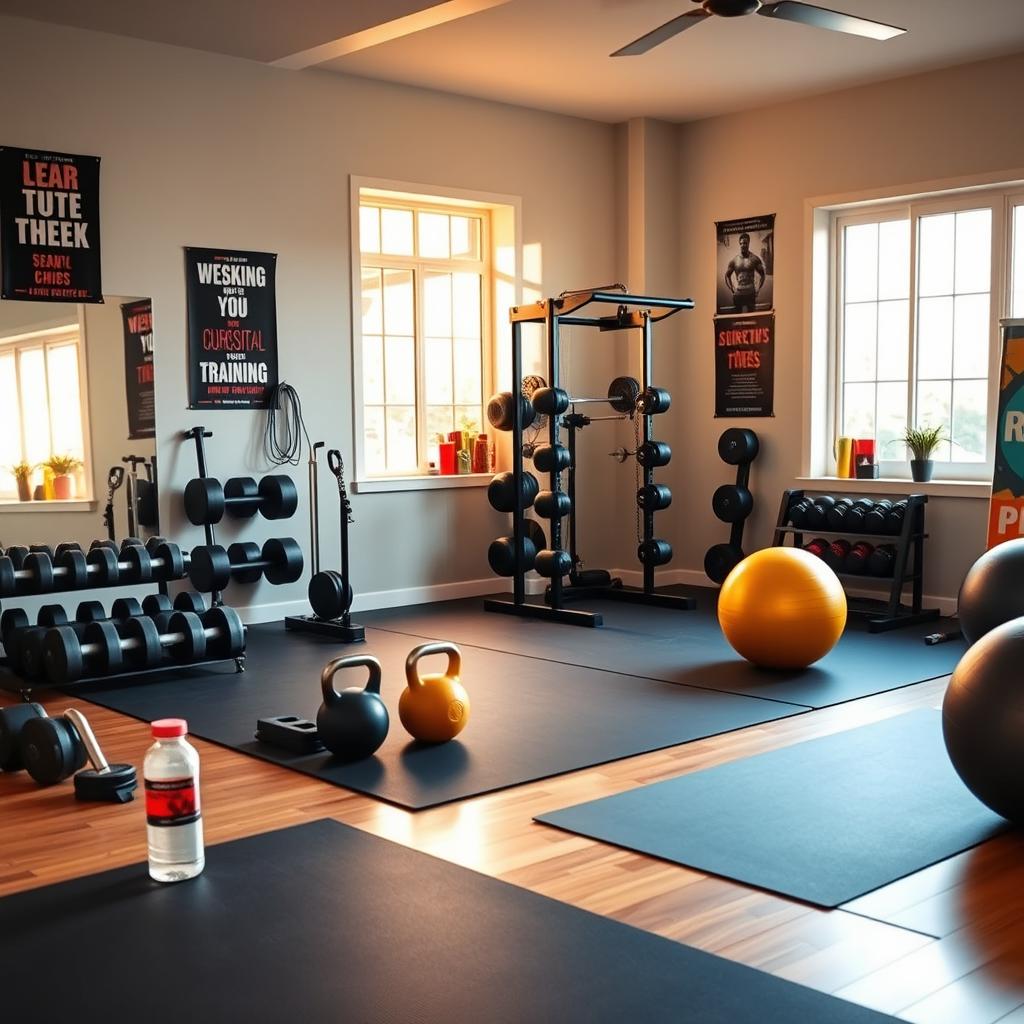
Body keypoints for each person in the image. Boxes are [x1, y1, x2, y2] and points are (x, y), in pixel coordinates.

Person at [725, 232, 766, 313]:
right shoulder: (735, 260)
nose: (743, 245)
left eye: (745, 243)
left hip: (750, 292)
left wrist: (758, 289)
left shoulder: (754, 259)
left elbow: (762, 275)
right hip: (738, 293)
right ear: (739, 244)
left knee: (751, 318)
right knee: (737, 319)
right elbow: (727, 276)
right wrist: (732, 289)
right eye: (741, 243)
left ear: (748, 243)